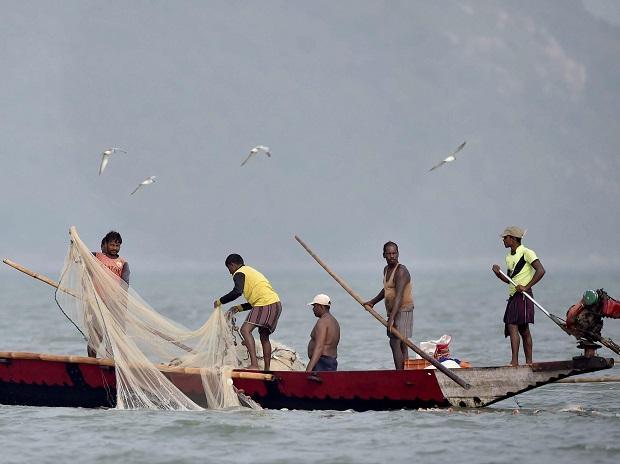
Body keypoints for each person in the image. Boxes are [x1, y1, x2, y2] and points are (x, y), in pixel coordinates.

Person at [214, 254, 282, 370]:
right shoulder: (250, 271)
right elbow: (255, 300)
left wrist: (220, 301)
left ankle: (254, 365)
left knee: (245, 330)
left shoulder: (239, 273)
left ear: (233, 265)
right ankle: (266, 369)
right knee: (264, 336)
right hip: (276, 304)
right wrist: (238, 308)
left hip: (265, 303)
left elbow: (237, 292)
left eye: (229, 269)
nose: (230, 272)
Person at [492, 226, 545, 366]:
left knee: (513, 325)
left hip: (524, 295)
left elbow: (541, 270)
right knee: (522, 329)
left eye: (505, 237)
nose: (503, 240)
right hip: (513, 296)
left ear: (513, 239)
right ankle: (527, 363)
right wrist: (498, 273)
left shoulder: (527, 253)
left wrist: (526, 287)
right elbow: (509, 280)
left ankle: (516, 362)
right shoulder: (509, 256)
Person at [364, 241, 414, 370]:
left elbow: (399, 296)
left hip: (403, 310)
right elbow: (387, 289)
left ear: (398, 254)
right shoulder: (386, 270)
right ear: (384, 255)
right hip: (393, 311)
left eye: (394, 253)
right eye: (389, 254)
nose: (392, 256)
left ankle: (400, 374)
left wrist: (392, 318)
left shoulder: (401, 271)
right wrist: (373, 302)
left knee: (396, 341)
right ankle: (405, 372)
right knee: (401, 343)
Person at [88, 230, 130, 358]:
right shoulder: (96, 257)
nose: (115, 248)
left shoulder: (123, 264)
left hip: (115, 304)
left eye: (117, 246)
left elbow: (124, 285)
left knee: (114, 335)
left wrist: (121, 304)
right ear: (103, 245)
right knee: (96, 335)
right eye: (112, 245)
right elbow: (80, 254)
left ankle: (110, 363)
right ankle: (90, 361)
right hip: (97, 302)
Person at [306, 294, 340, 372]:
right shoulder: (334, 321)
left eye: (314, 306)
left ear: (320, 306)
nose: (313, 309)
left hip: (321, 363)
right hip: (331, 362)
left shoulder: (322, 322)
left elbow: (319, 347)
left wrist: (308, 370)